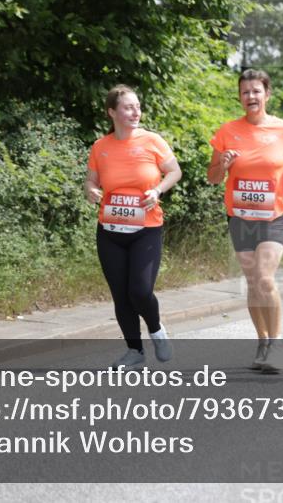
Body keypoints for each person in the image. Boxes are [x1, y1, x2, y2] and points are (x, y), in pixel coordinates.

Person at [208, 69, 283, 374]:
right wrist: (222, 164)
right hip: (240, 217)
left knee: (265, 278)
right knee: (253, 282)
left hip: (273, 215)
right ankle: (263, 341)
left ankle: (277, 345)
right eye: (245, 92)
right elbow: (213, 177)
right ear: (239, 97)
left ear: (267, 94)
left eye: (256, 91)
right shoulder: (227, 131)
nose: (250, 96)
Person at [85, 85, 183, 369]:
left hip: (146, 230)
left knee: (139, 291)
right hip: (110, 232)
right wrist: (90, 190)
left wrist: (158, 190)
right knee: (121, 295)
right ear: (112, 112)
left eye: (137, 106)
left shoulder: (152, 141)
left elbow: (175, 171)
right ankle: (134, 351)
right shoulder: (101, 147)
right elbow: (90, 181)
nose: (135, 112)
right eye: (128, 107)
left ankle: (157, 330)